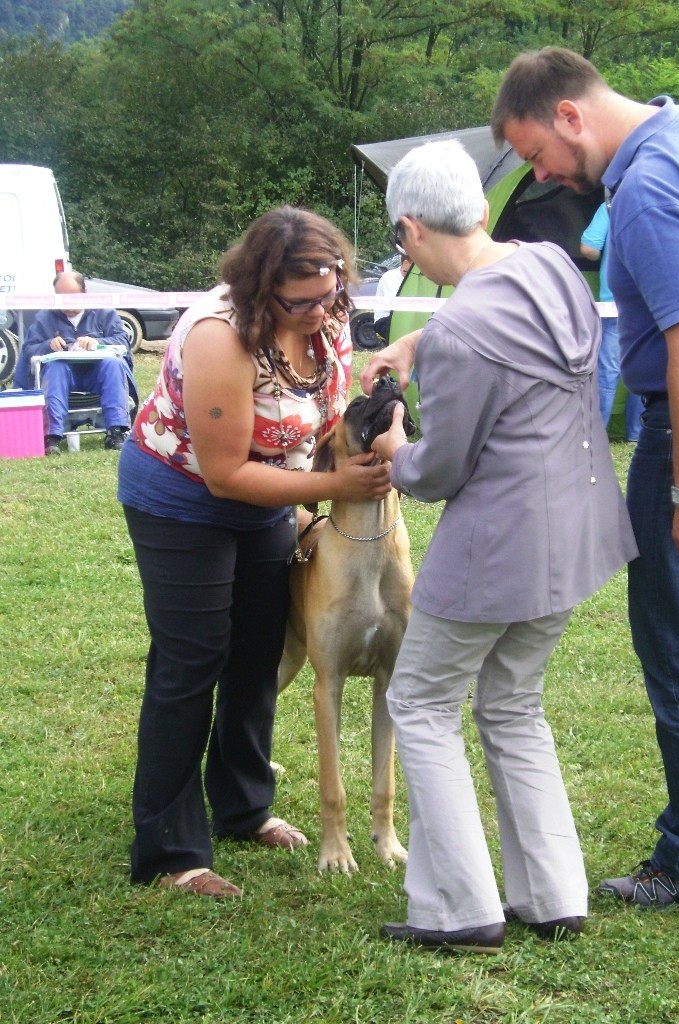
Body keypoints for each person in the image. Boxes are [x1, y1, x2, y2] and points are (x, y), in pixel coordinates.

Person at [359, 138, 637, 954]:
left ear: (408, 233)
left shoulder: (461, 335)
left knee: (420, 702)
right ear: (480, 210)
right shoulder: (550, 267)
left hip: (494, 554)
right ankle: (553, 897)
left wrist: (391, 447)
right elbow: (503, 336)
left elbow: (436, 473)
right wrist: (417, 341)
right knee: (513, 705)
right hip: (577, 535)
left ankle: (456, 907)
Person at [117, 206, 391, 899]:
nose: (318, 310)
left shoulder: (328, 318)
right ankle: (171, 849)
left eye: (328, 293)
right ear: (260, 286)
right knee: (193, 657)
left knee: (257, 651)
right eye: (297, 300)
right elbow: (223, 474)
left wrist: (305, 499)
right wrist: (329, 488)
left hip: (272, 495)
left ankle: (243, 807)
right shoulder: (219, 336)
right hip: (185, 500)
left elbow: (320, 417)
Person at [491, 46, 679, 909]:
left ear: (570, 115)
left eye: (536, 154)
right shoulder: (674, 133)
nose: (543, 175)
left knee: (673, 650)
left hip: (674, 434)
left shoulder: (641, 190)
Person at [14, 271, 133, 454]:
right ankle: (52, 436)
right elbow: (29, 350)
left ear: (85, 293)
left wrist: (98, 343)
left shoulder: (104, 312)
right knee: (55, 368)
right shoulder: (44, 317)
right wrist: (48, 345)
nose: (67, 303)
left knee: (113, 364)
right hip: (63, 375)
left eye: (72, 296)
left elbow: (123, 341)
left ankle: (116, 431)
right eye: (62, 298)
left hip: (97, 371)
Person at [579, 202, 641, 442]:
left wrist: (605, 253)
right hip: (654, 299)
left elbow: (587, 249)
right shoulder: (668, 194)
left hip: (615, 301)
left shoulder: (610, 205)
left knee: (607, 370)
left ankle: (597, 433)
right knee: (647, 366)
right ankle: (638, 433)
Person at [373, 254, 412, 341]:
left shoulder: (413, 279)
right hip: (384, 320)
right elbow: (396, 307)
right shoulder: (389, 277)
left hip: (405, 319)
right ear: (406, 263)